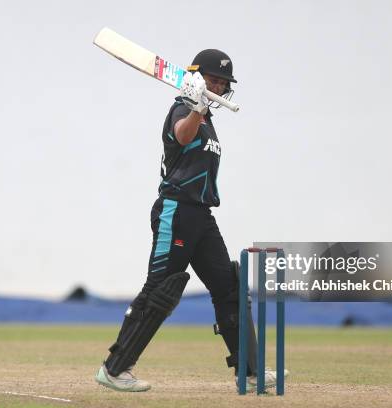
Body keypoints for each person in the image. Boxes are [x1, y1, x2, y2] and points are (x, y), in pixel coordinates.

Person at [95, 49, 287, 392]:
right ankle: (115, 368)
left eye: (223, 82)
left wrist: (203, 110)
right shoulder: (182, 110)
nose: (219, 85)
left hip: (201, 216)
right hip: (176, 211)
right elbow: (182, 135)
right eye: (213, 79)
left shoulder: (208, 121)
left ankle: (251, 370)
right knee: (161, 289)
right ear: (197, 78)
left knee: (230, 286)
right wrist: (197, 107)